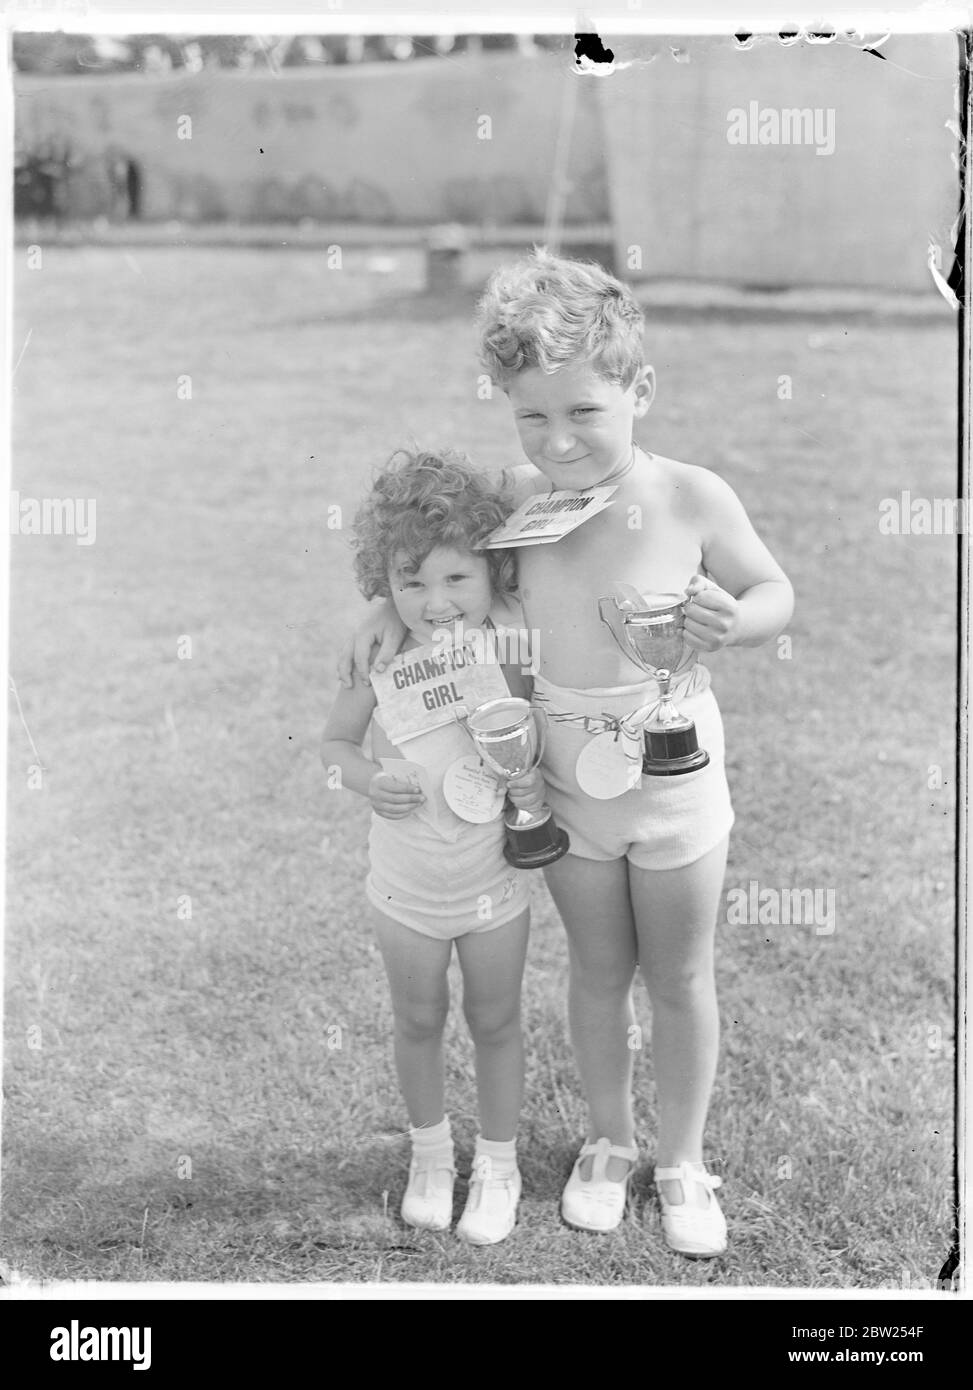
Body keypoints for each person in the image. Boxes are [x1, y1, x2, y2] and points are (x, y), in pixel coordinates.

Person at [338, 252, 794, 1257]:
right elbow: (432, 549)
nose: (557, 442)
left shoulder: (690, 496)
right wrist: (385, 601)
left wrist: (739, 617)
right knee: (596, 967)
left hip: (672, 770)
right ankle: (609, 1141)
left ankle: (680, 1158)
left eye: (583, 413)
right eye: (530, 417)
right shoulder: (513, 497)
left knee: (677, 972)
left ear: (639, 390)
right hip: (559, 776)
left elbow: (774, 591)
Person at [321, 446, 544, 1246]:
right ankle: (429, 1156)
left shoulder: (512, 639)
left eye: (457, 578)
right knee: (416, 1018)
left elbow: (524, 486)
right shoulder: (380, 654)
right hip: (406, 885)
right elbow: (336, 745)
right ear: (385, 584)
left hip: (491, 882)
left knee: (495, 1020)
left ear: (493, 576)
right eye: (411, 581)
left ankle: (497, 1164)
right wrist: (366, 776)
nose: (435, 599)